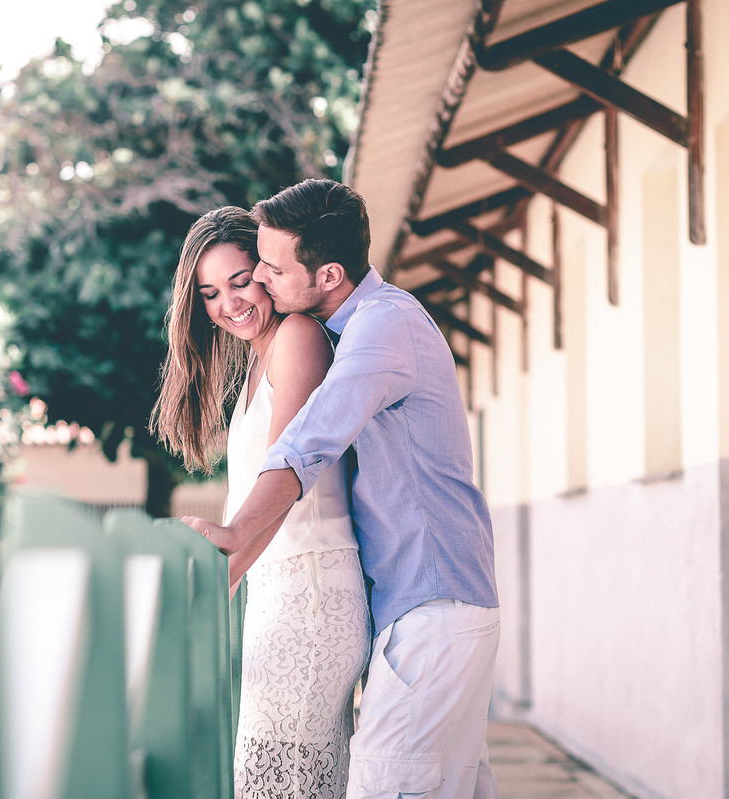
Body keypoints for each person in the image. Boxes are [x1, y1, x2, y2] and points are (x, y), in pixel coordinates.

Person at [182, 180, 501, 799]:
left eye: (269, 269)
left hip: (434, 607)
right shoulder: (351, 329)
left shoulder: (384, 326)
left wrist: (234, 538)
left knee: (382, 787)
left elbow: (310, 442)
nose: (262, 282)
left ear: (327, 274)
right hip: (421, 608)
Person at [150, 206, 371, 799]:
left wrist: (216, 582)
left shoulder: (297, 339)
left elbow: (283, 491)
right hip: (279, 591)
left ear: (268, 271)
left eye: (240, 280)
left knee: (278, 782)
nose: (229, 304)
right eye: (210, 293)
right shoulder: (260, 357)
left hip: (313, 591)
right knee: (281, 777)